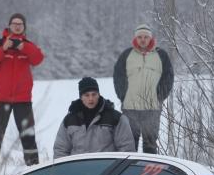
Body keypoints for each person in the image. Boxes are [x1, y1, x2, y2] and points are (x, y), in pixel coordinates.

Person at [0, 12, 44, 166]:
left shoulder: (29, 45)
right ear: (9, 26)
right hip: (1, 99)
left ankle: (34, 167)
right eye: (14, 23)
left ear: (24, 27)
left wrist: (25, 47)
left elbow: (38, 59)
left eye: (20, 24)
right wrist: (3, 49)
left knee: (28, 136)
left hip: (23, 99)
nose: (17, 26)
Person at [112, 24, 174, 154]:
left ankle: (149, 172)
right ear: (135, 38)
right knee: (129, 143)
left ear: (150, 38)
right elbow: (118, 76)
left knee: (150, 144)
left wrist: (159, 97)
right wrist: (123, 96)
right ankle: (129, 172)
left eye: (146, 37)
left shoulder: (161, 55)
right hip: (130, 108)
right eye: (140, 37)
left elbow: (168, 77)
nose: (143, 40)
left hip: (152, 108)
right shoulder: (126, 55)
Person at [53, 77, 135, 159]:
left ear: (99, 95)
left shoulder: (116, 118)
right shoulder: (69, 120)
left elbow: (126, 149)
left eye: (94, 94)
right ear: (81, 97)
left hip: (108, 169)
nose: (91, 98)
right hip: (78, 169)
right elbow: (60, 150)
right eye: (87, 95)